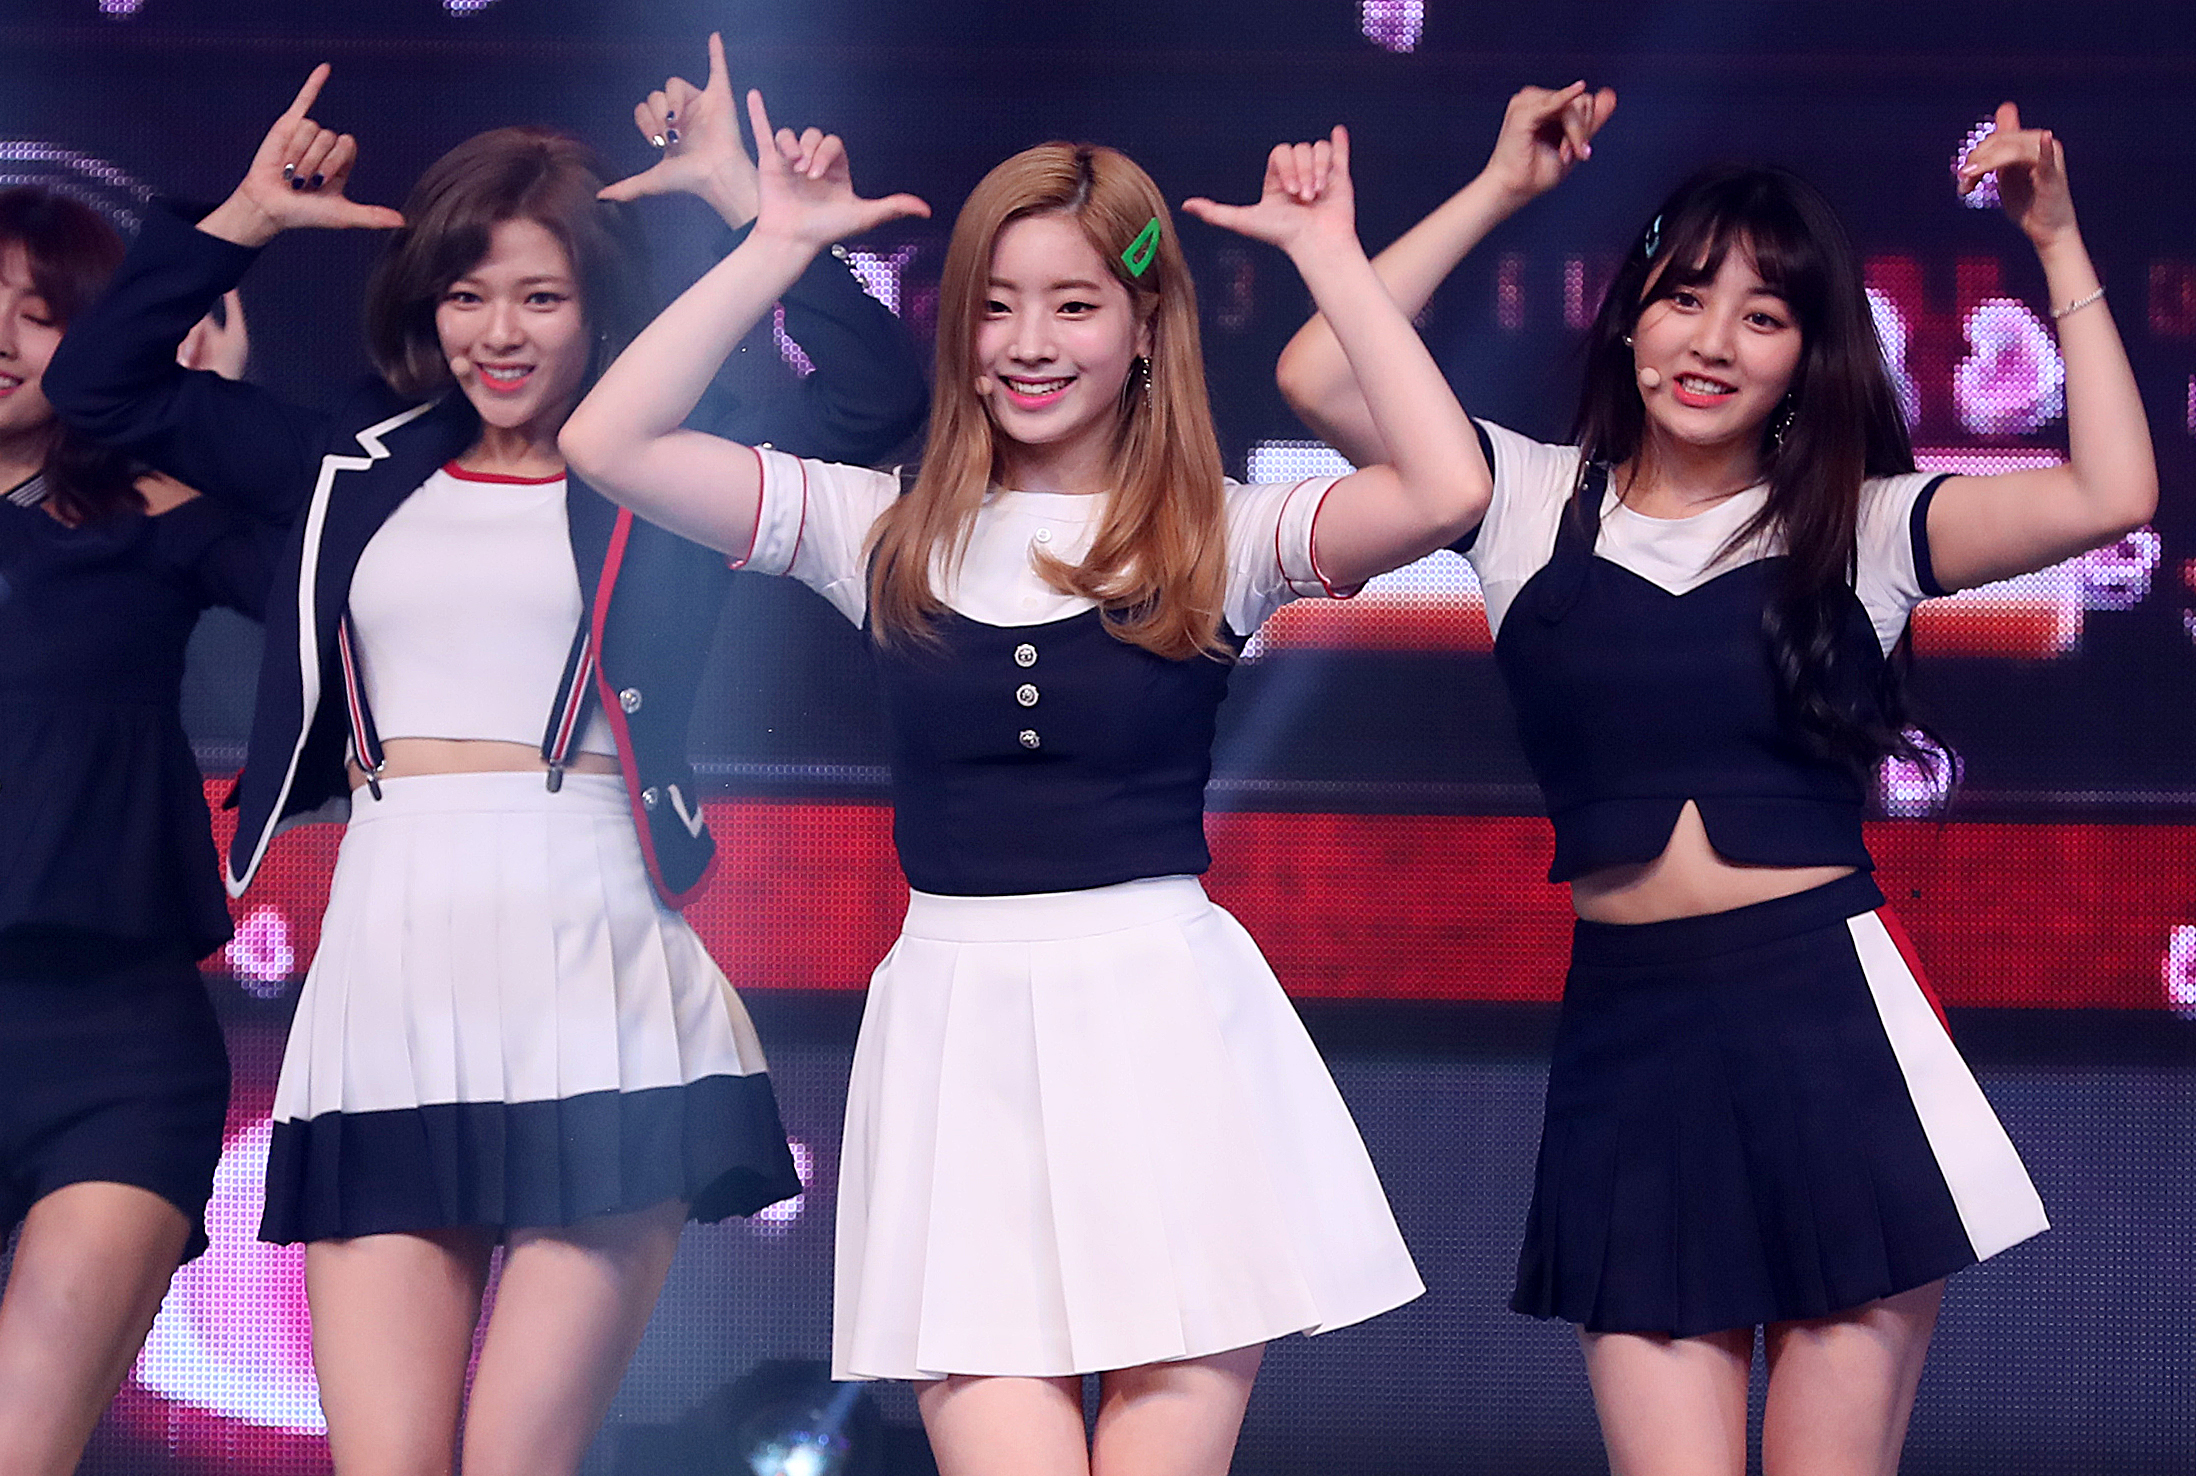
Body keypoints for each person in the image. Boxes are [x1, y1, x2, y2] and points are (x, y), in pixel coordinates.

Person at [562, 93, 1480, 1476]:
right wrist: (776, 241)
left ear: (1144, 326)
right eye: (995, 307)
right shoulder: (879, 528)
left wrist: (1329, 258)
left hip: (1166, 1029)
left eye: (1072, 304)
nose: (1029, 342)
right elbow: (610, 444)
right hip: (959, 1038)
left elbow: (1447, 487)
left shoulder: (1218, 535)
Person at [45, 43, 926, 1476]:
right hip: (390, 969)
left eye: (540, 296)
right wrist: (243, 221)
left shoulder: (666, 463)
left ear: (598, 306)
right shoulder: (350, 456)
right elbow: (102, 383)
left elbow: (872, 401)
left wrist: (746, 206)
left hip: (598, 968)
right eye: (467, 295)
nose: (498, 333)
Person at [1278, 87, 2155, 1476]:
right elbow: (1323, 371)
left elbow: (2113, 494)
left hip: (1829, 1042)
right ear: (1629, 319)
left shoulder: (1865, 525)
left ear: (1810, 355)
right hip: (1631, 1054)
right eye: (1684, 299)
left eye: (1763, 315)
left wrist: (2054, 239)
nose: (1711, 342)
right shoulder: (1521, 500)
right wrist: (1503, 188)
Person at [0, 184, 268, 1475]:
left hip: (115, 1049)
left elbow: (342, 600)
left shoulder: (159, 514)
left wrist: (204, 424)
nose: (1, 338)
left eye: (41, 312)